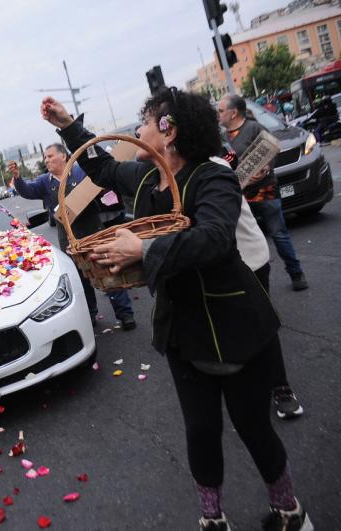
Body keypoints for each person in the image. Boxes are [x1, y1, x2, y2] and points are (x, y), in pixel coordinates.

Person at [42, 88, 311, 530]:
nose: (137, 131)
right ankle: (212, 518)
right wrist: (69, 125)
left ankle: (290, 511)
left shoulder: (213, 177)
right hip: (183, 330)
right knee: (200, 430)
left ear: (169, 132)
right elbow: (103, 168)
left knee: (253, 426)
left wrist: (144, 249)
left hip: (236, 324)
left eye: (145, 122)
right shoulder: (147, 178)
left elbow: (215, 238)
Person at [8, 145, 136, 330]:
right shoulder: (44, 181)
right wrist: (18, 178)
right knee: (81, 280)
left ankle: (125, 314)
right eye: (45, 157)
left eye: (50, 156)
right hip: (69, 239)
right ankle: (91, 314)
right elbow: (27, 191)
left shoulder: (81, 172)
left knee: (107, 272)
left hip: (93, 231)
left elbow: (101, 185)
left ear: (63, 156)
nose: (46, 160)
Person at [220, 146, 305, 420]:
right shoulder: (163, 174)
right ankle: (249, 387)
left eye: (148, 126)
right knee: (232, 329)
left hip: (248, 259)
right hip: (213, 266)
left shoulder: (214, 162)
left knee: (261, 324)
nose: (140, 132)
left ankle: (281, 388)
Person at [218, 95, 308, 291]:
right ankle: (252, 284)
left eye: (221, 110)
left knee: (279, 234)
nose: (219, 114)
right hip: (240, 196)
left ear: (233, 113)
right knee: (244, 240)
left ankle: (296, 273)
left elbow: (272, 148)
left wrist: (266, 168)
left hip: (264, 191)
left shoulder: (254, 128)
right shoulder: (222, 137)